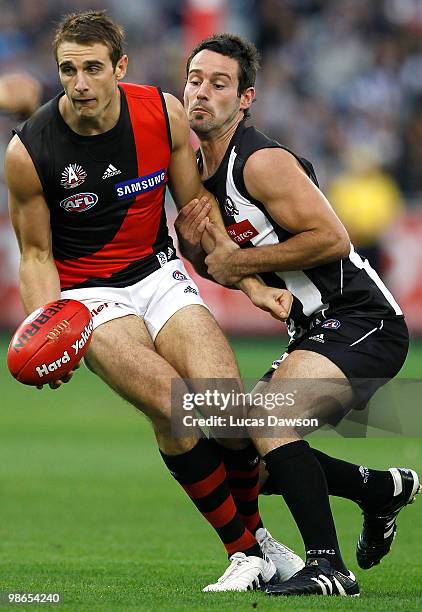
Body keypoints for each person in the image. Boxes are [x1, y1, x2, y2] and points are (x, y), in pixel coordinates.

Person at [5, 11, 305, 594]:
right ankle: (246, 550)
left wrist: (250, 283)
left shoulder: (161, 113)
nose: (81, 83)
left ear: (121, 67)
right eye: (68, 70)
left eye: (94, 68)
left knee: (224, 408)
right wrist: (47, 328)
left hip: (157, 272)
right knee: (172, 407)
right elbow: (36, 255)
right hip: (88, 297)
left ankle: (264, 543)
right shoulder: (29, 151)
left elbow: (197, 217)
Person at [176, 33, 420, 597]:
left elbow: (332, 240)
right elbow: (225, 265)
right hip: (313, 327)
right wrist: (199, 254)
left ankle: (328, 566)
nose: (203, 93)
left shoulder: (261, 162)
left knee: (265, 418)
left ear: (246, 98)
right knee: (244, 455)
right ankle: (377, 489)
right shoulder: (195, 171)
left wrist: (238, 260)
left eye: (219, 83)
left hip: (362, 319)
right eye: (195, 80)